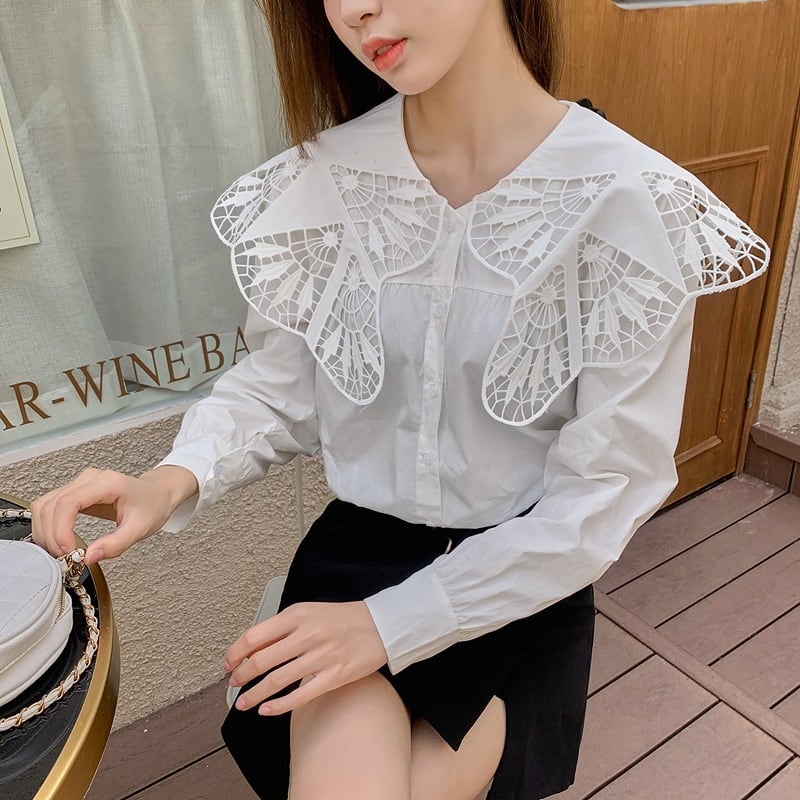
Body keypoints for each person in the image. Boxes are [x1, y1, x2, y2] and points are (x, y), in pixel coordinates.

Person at [30, 1, 770, 799]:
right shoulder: (323, 179)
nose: (355, 9)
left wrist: (389, 625)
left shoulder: (627, 199)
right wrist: (171, 478)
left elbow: (604, 492)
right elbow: (282, 388)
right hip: (359, 558)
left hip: (520, 578)